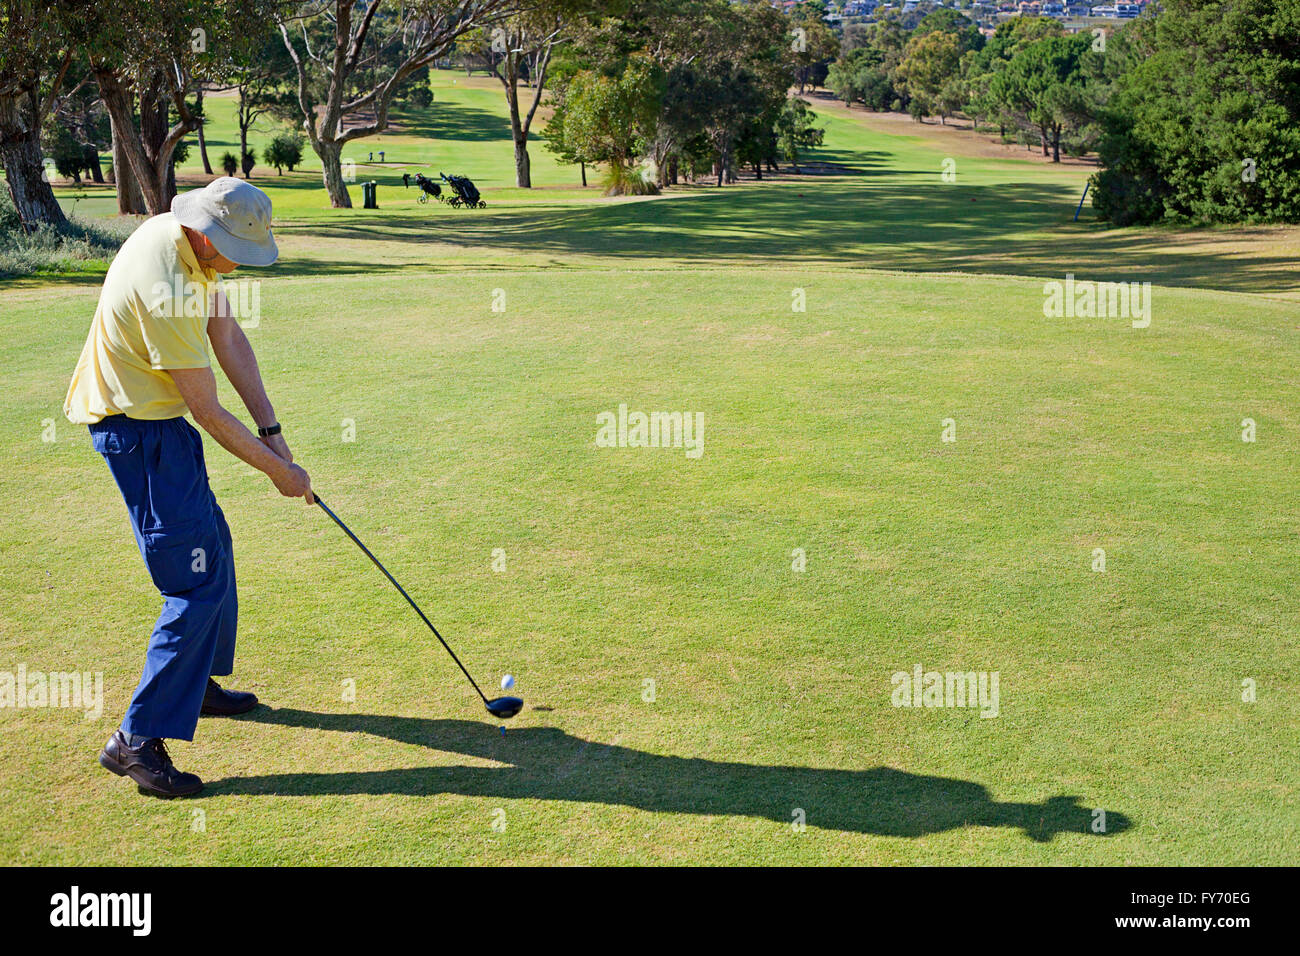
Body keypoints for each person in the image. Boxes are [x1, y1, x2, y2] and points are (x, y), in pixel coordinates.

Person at [64, 177, 314, 798]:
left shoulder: (186, 245)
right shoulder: (169, 284)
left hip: (157, 423)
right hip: (138, 432)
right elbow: (207, 408)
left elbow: (226, 334)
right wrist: (279, 472)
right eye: (234, 251)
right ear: (207, 235)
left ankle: (191, 684)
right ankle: (136, 740)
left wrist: (273, 429)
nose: (237, 264)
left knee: (213, 547)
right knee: (194, 580)